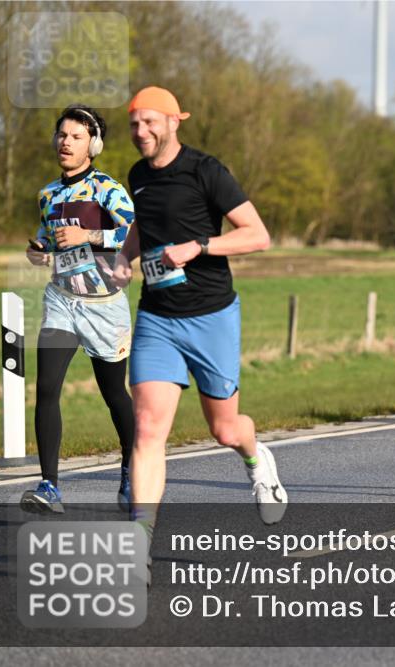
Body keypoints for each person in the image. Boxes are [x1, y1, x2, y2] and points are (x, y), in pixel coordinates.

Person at [112, 87, 286, 541]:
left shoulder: (206, 170)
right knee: (148, 428)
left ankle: (257, 460)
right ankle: (140, 539)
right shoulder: (137, 175)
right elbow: (142, 225)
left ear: (174, 122)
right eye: (134, 124)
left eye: (150, 122)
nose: (141, 131)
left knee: (225, 429)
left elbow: (258, 235)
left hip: (211, 315)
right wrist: (122, 258)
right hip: (157, 318)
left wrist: (200, 246)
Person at [20, 105, 137, 515]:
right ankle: (49, 485)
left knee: (113, 395)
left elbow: (134, 233)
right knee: (47, 387)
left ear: (93, 144)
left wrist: (88, 233)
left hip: (105, 308)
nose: (65, 142)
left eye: (75, 136)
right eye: (62, 135)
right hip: (62, 302)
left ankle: (131, 467)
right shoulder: (48, 194)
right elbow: (48, 241)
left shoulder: (109, 190)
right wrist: (39, 251)